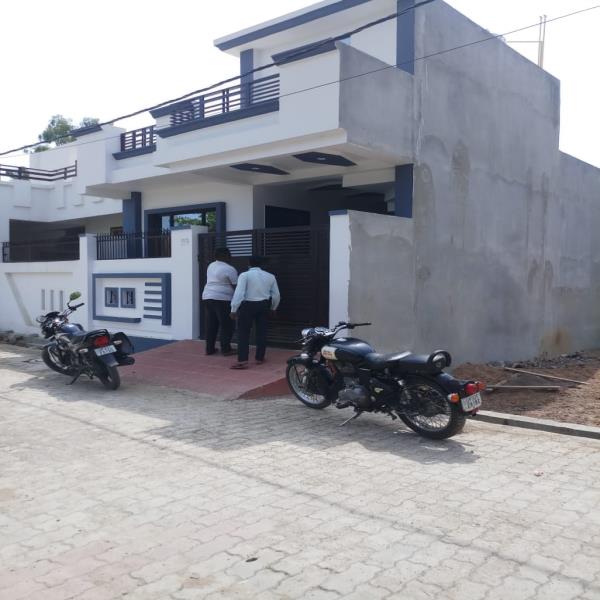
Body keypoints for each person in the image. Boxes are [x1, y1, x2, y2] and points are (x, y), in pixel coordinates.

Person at [230, 256, 280, 369]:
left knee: (243, 333)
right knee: (261, 332)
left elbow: (239, 293)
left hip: (247, 305)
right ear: (262, 264)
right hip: (264, 305)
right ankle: (259, 358)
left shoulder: (244, 275)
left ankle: (242, 360)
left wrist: (233, 309)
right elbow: (276, 295)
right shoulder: (270, 276)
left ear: (249, 264)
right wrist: (273, 308)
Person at [201, 247, 238, 356]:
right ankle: (226, 349)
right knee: (227, 324)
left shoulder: (211, 265)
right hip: (222, 299)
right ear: (225, 256)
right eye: (229, 254)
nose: (231, 256)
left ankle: (209, 349)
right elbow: (236, 286)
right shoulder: (229, 269)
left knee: (211, 324)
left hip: (207, 297)